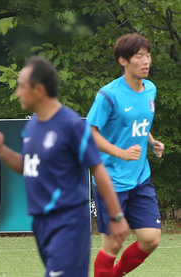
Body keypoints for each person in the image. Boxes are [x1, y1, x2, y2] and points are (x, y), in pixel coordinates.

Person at [0, 56, 130, 276]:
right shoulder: (32, 125)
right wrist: (1, 150)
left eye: (22, 86)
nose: (17, 92)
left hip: (68, 223)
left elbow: (98, 169)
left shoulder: (71, 125)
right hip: (41, 223)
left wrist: (116, 217)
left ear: (39, 90)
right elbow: (28, 166)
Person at [87, 33, 165, 277]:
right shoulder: (108, 95)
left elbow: (140, 122)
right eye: (139, 56)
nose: (146, 61)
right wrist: (120, 152)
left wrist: (151, 142)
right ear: (123, 61)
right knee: (113, 244)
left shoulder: (150, 89)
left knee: (151, 239)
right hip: (111, 180)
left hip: (140, 176)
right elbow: (90, 133)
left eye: (148, 55)